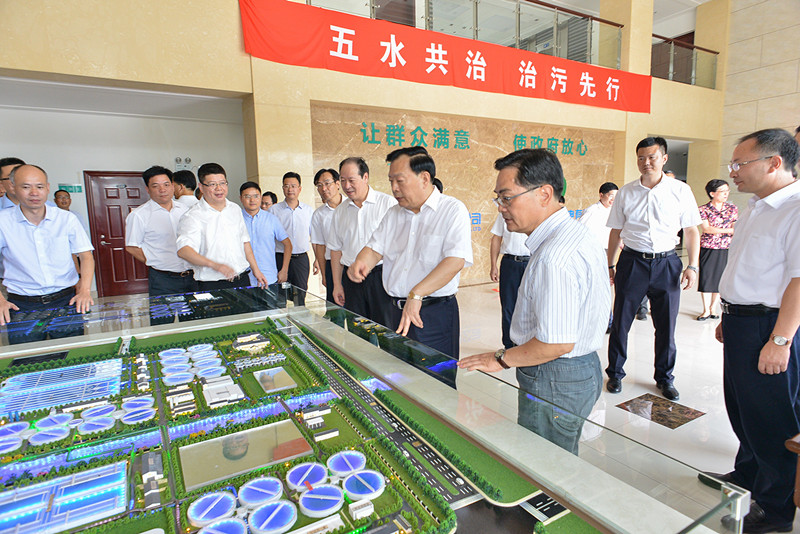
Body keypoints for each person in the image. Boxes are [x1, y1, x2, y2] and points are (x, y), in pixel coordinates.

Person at [459, 149, 611, 454]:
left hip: (555, 376)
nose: (501, 207)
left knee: (544, 462)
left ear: (544, 194)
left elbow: (556, 344)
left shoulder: (554, 257)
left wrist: (499, 359)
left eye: (507, 197)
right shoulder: (575, 234)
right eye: (498, 198)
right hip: (581, 368)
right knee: (558, 456)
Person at [702, 128, 800, 534]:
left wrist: (780, 340)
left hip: (769, 326)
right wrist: (728, 315)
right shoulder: (758, 206)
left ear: (774, 163)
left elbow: (799, 280)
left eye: (740, 163)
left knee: (772, 418)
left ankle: (775, 508)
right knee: (743, 408)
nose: (733, 172)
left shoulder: (795, 209)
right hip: (742, 321)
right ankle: (747, 476)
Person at [349, 146, 472, 359]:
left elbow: (455, 261)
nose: (394, 188)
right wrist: (362, 261)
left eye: (400, 181)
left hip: (432, 314)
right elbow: (375, 249)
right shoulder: (393, 214)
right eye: (391, 181)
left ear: (424, 178)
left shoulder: (452, 210)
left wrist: (417, 294)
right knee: (397, 372)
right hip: (393, 311)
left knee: (435, 375)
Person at [606, 137, 701, 401]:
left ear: (664, 158)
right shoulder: (626, 192)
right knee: (621, 322)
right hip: (632, 262)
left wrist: (693, 265)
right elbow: (616, 231)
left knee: (666, 326)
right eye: (641, 158)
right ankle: (615, 373)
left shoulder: (680, 190)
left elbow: (692, 230)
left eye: (652, 157)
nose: (646, 162)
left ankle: (665, 378)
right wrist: (610, 263)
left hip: (667, 263)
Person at [0, 165, 95, 325]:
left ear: (47, 188)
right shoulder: (3, 221)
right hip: (22, 304)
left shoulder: (66, 219)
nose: (34, 193)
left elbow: (86, 256)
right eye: (26, 187)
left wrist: (85, 290)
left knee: (71, 342)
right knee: (28, 342)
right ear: (13, 188)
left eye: (39, 187)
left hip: (66, 299)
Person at [176, 163, 267, 291]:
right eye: (212, 184)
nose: (219, 188)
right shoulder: (192, 216)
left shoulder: (234, 209)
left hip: (241, 279)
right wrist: (215, 265)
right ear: (201, 187)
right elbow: (184, 251)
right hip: (212, 284)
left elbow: (245, 242)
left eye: (222, 183)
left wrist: (256, 270)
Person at [328, 157, 396, 326]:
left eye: (351, 180)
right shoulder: (340, 212)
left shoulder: (388, 204)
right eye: (343, 180)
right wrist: (337, 285)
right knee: (357, 331)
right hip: (351, 280)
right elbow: (335, 250)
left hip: (382, 278)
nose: (347, 186)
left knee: (387, 330)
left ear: (365, 177)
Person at [125, 166, 196, 297]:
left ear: (173, 186)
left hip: (193, 276)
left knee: (196, 310)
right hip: (163, 279)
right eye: (155, 186)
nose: (162, 190)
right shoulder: (139, 215)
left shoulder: (185, 210)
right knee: (164, 311)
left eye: (166, 184)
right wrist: (155, 261)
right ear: (148, 189)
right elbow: (132, 247)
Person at [579, 182, 619, 331]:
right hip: (595, 254)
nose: (613, 199)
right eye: (610, 196)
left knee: (605, 289)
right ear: (601, 195)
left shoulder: (613, 211)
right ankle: (606, 322)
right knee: (598, 289)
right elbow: (581, 233)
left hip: (607, 253)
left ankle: (607, 321)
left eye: (616, 196)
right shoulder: (592, 211)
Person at [696, 179, 737, 321]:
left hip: (726, 247)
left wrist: (719, 230)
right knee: (707, 278)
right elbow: (706, 229)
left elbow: (735, 228)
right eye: (722, 191)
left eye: (727, 191)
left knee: (720, 278)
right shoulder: (703, 209)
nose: (726, 194)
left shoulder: (732, 208)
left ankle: (713, 308)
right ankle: (705, 310)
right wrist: (728, 230)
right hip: (709, 247)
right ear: (712, 193)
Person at [270, 172, 313, 301]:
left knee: (300, 297)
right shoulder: (274, 210)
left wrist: (317, 259)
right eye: (286, 186)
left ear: (300, 188)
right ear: (282, 188)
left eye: (293, 186)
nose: (290, 189)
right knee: (280, 297)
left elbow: (314, 236)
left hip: (301, 259)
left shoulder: (308, 211)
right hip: (280, 258)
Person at [239, 181, 291, 286]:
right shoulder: (236, 219)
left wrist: (284, 270)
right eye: (247, 196)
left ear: (260, 197)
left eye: (256, 196)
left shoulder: (271, 219)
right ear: (241, 198)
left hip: (269, 277)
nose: (252, 200)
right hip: (242, 278)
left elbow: (288, 244)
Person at [489, 214, 529, 349]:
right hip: (510, 263)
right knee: (508, 306)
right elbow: (496, 238)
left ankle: (528, 345)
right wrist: (493, 265)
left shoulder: (535, 211)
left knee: (532, 306)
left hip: (532, 262)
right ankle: (509, 346)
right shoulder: (504, 213)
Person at [309, 168, 342, 303]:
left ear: (337, 184)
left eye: (327, 183)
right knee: (335, 307)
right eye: (319, 185)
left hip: (352, 263)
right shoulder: (318, 214)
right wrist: (324, 274)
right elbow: (320, 246)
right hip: (331, 265)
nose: (323, 188)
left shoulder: (352, 206)